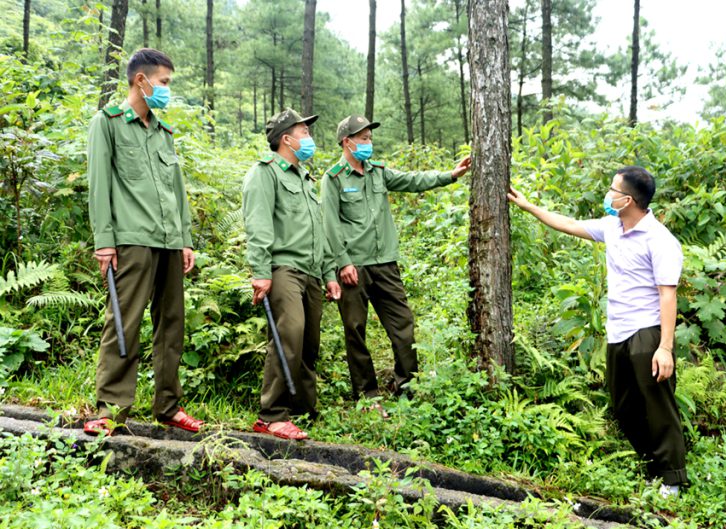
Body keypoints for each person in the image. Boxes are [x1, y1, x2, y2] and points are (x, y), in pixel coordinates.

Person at [507, 165, 687, 495]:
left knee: (658, 406)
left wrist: (664, 347)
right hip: (617, 331)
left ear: (628, 200)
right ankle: (652, 467)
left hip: (647, 332)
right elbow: (569, 224)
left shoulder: (660, 240)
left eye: (613, 190)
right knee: (624, 406)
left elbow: (668, 295)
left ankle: (672, 478)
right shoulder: (612, 227)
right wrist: (529, 206)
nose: (608, 194)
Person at [85, 48, 203, 436]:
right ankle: (111, 408)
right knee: (125, 321)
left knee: (172, 325)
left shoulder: (163, 132)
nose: (167, 89)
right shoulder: (108, 123)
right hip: (131, 240)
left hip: (169, 242)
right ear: (141, 80)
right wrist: (104, 241)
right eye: (164, 82)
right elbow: (99, 185)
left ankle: (168, 406)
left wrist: (185, 239)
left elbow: (176, 189)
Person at [321, 115, 471, 415]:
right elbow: (329, 224)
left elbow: (412, 180)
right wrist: (343, 262)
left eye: (370, 138)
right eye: (363, 138)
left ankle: (407, 389)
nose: (369, 143)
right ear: (347, 142)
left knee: (403, 326)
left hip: (385, 263)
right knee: (355, 330)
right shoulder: (333, 178)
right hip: (353, 267)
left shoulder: (378, 172)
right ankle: (367, 396)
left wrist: (450, 175)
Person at [243, 108, 341, 440]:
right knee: (289, 334)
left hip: (312, 271)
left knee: (308, 343)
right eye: (304, 132)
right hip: (283, 268)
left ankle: (302, 410)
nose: (309, 138)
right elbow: (258, 223)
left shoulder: (305, 178)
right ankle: (271, 415)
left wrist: (329, 273)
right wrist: (261, 271)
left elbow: (318, 232)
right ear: (286, 139)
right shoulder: (265, 173)